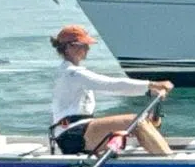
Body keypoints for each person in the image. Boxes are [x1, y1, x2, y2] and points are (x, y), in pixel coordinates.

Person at [49, 25, 174, 155]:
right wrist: (151, 85)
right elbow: (111, 85)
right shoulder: (72, 73)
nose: (88, 48)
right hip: (71, 134)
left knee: (145, 122)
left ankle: (166, 155)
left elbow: (111, 88)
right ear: (69, 47)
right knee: (137, 122)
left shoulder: (71, 73)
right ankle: (172, 164)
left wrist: (149, 91)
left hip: (76, 130)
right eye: (83, 45)